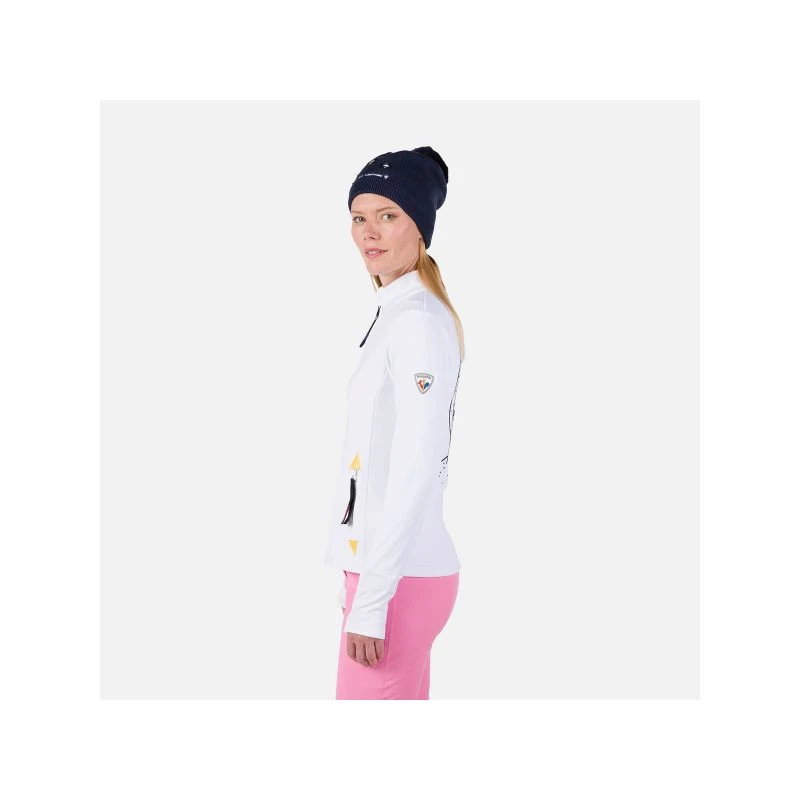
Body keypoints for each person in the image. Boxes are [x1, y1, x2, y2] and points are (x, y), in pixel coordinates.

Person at [322, 146, 466, 699]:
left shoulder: (418, 323)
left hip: (399, 581)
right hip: (388, 574)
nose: (369, 232)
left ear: (420, 226)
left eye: (388, 215)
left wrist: (374, 597)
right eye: (359, 217)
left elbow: (416, 464)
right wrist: (357, 574)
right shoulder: (397, 314)